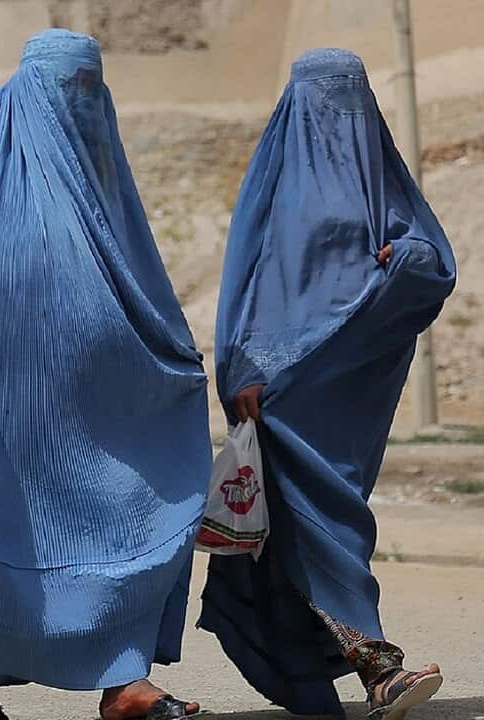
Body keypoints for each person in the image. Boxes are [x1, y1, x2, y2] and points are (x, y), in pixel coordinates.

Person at [0, 30, 211, 720]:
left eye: (92, 90)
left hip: (78, 409)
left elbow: (127, 281)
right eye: (67, 89)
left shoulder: (94, 169)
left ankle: (124, 683)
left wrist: (163, 356)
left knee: (130, 508)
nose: (78, 104)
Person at [201, 48, 456, 720]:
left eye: (347, 95)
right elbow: (245, 282)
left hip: (346, 394)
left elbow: (432, 262)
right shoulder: (275, 179)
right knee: (317, 524)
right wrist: (240, 371)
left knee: (326, 519)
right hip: (279, 389)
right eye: (322, 96)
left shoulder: (382, 177)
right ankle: (378, 665)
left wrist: (406, 257)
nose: (335, 112)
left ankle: (311, 679)